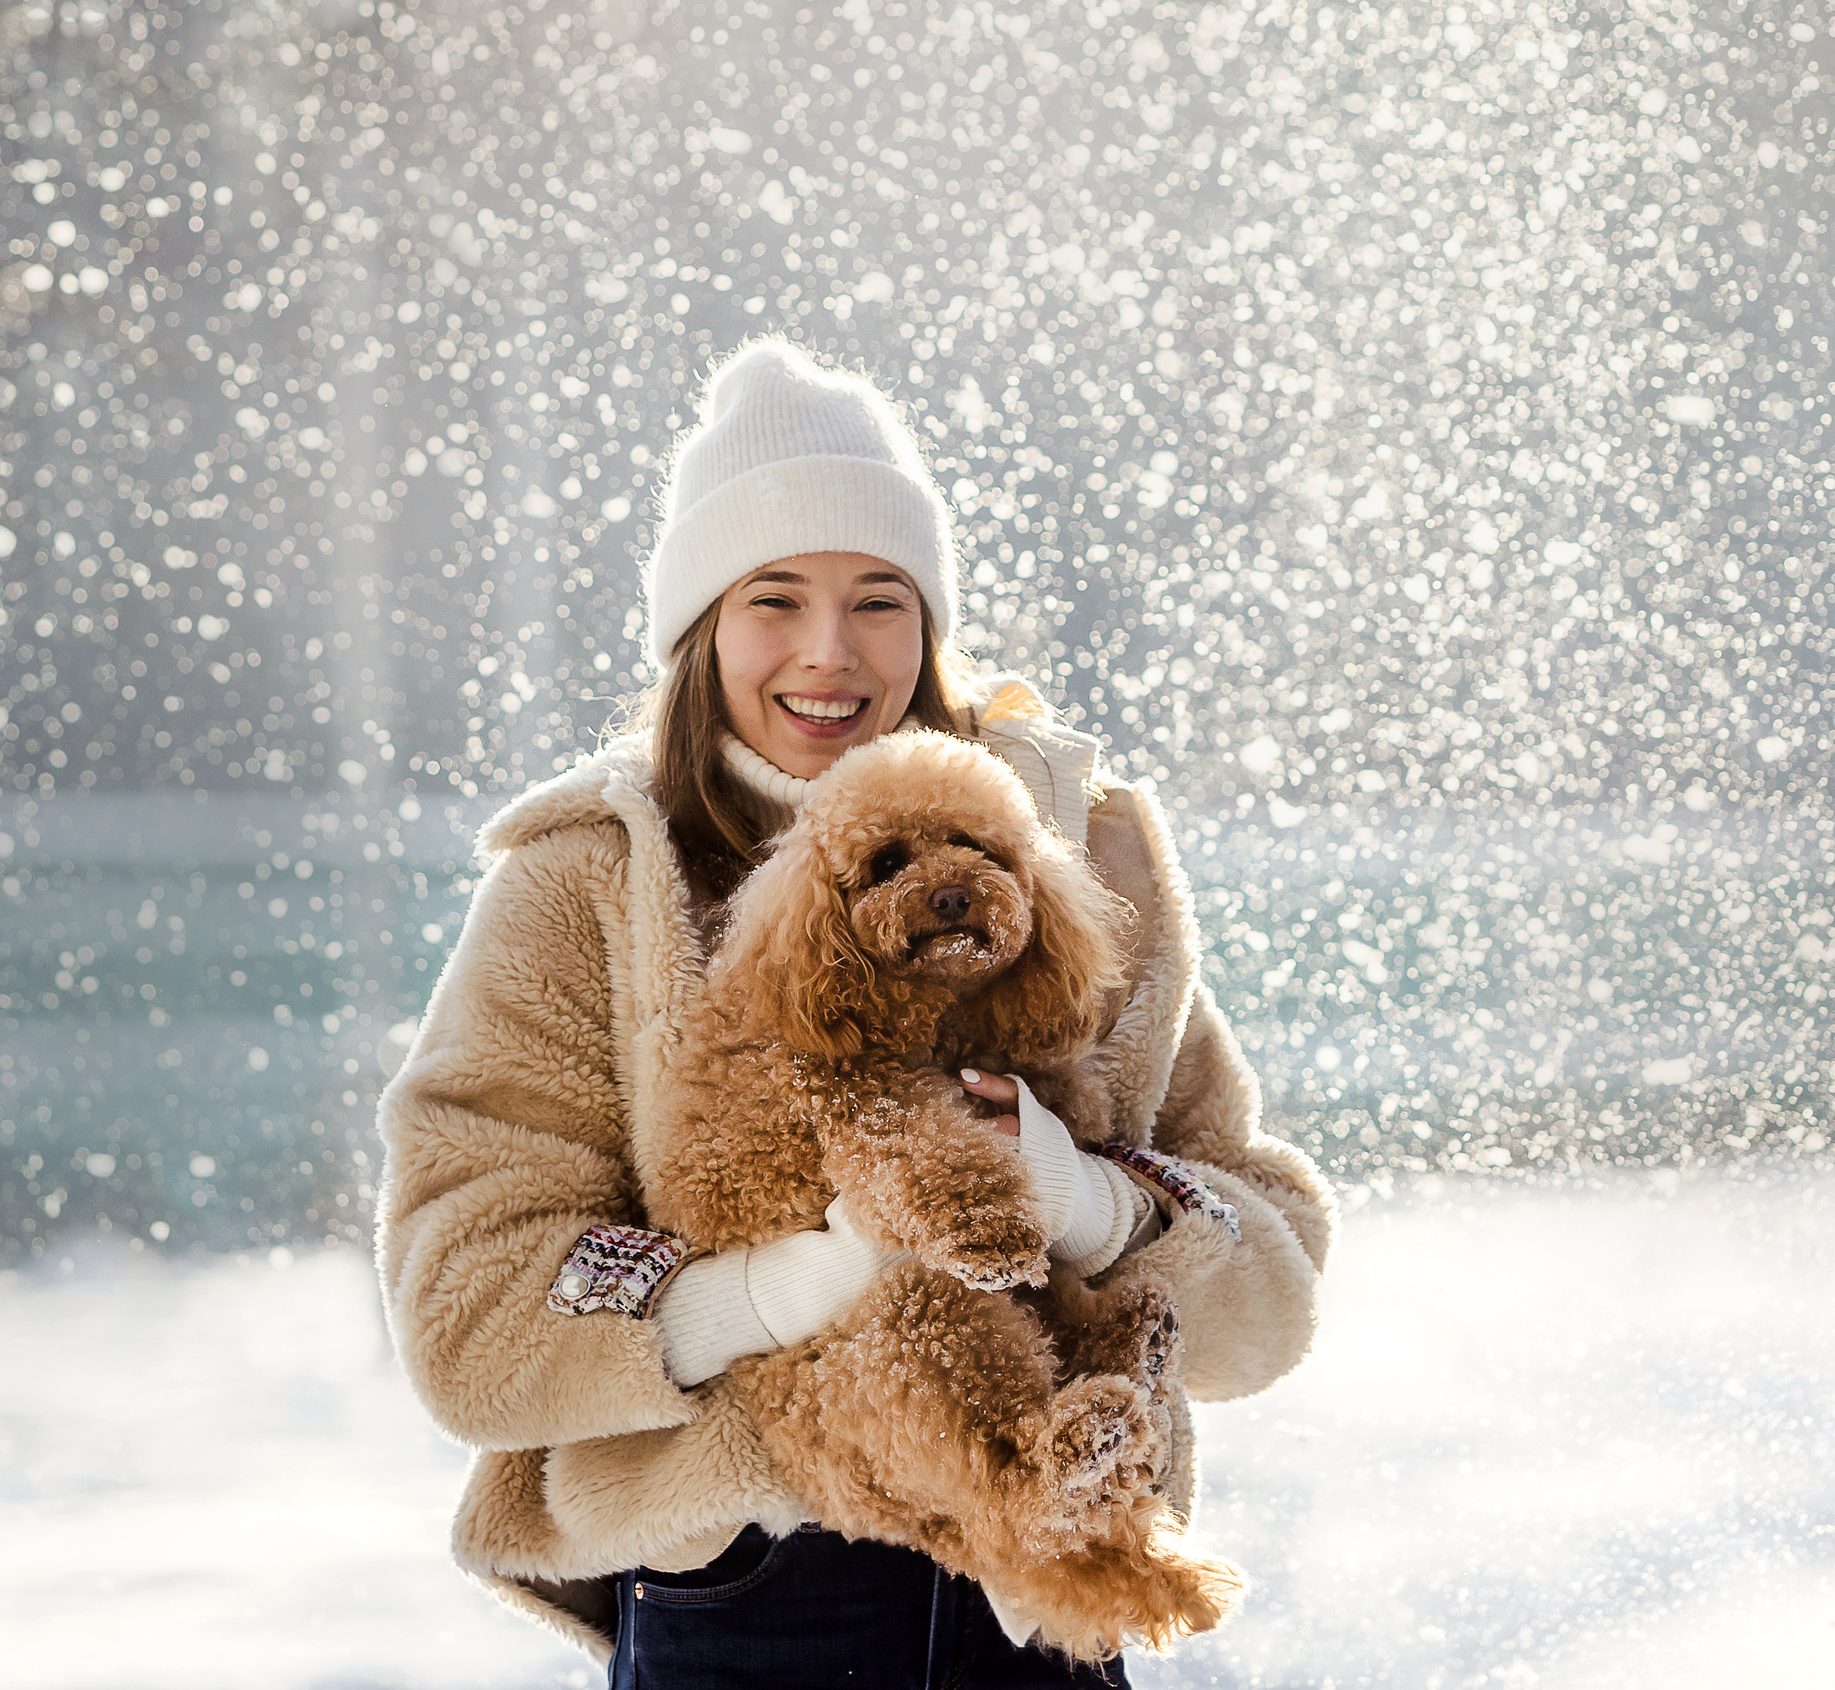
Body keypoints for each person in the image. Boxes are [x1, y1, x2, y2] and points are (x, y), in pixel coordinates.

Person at [374, 337, 1335, 1689]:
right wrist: (778, 1290)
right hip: (760, 1606)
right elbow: (472, 1311)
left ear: (930, 620)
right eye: (776, 598)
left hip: (1045, 1600)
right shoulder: (585, 885)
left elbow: (1268, 1273)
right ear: (702, 624)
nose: (830, 653)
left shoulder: (1076, 850)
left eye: (879, 599)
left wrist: (1092, 1207)